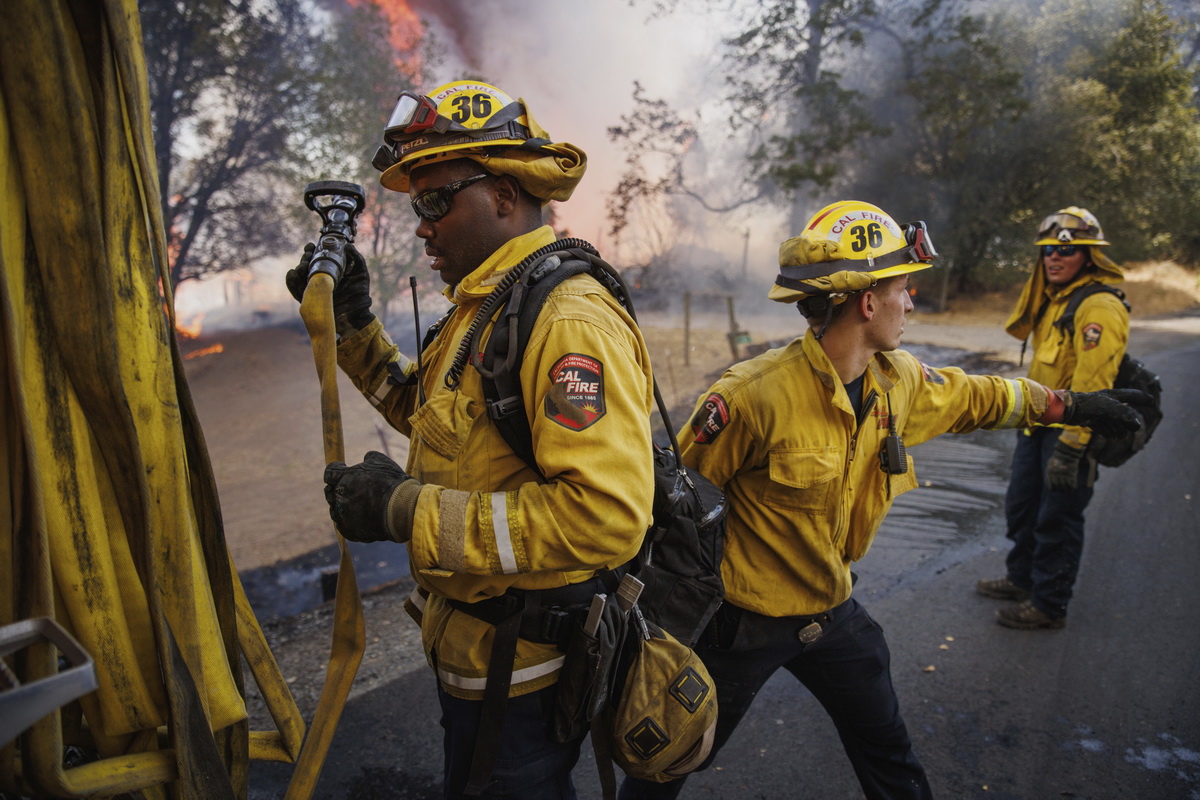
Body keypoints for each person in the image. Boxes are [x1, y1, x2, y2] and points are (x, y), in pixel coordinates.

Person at [618, 201, 1145, 800]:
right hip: (742, 625)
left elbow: (981, 397)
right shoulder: (751, 398)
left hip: (833, 612)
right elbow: (675, 503)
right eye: (903, 287)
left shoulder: (899, 381)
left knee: (891, 757)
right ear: (868, 302)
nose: (912, 301)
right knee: (670, 759)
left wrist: (1069, 407)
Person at [287, 81, 655, 799]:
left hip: (524, 678)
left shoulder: (568, 321)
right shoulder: (486, 308)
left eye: (434, 201)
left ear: (505, 195)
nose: (421, 225)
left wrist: (404, 512)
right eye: (415, 205)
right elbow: (430, 414)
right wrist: (356, 326)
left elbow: (604, 518)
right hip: (477, 659)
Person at [976, 207, 1130, 630]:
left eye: (1068, 251)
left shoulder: (1099, 306)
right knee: (1023, 508)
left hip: (1070, 434)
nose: (1054, 259)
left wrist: (1073, 447)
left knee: (1057, 517)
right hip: (1037, 427)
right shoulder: (1054, 299)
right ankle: (1022, 579)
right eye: (1048, 252)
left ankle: (1048, 604)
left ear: (1089, 256)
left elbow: (1093, 384)